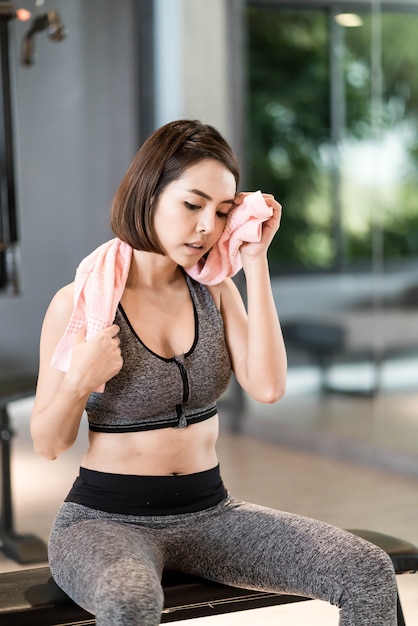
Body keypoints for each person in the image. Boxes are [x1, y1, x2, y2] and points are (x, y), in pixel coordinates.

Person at [31, 119, 397, 626]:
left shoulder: (215, 289)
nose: (207, 226)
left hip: (211, 512)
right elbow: (47, 443)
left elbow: (267, 386)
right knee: (130, 600)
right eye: (192, 204)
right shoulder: (79, 304)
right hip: (103, 521)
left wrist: (257, 263)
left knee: (367, 571)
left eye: (223, 212)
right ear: (149, 194)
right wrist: (78, 379)